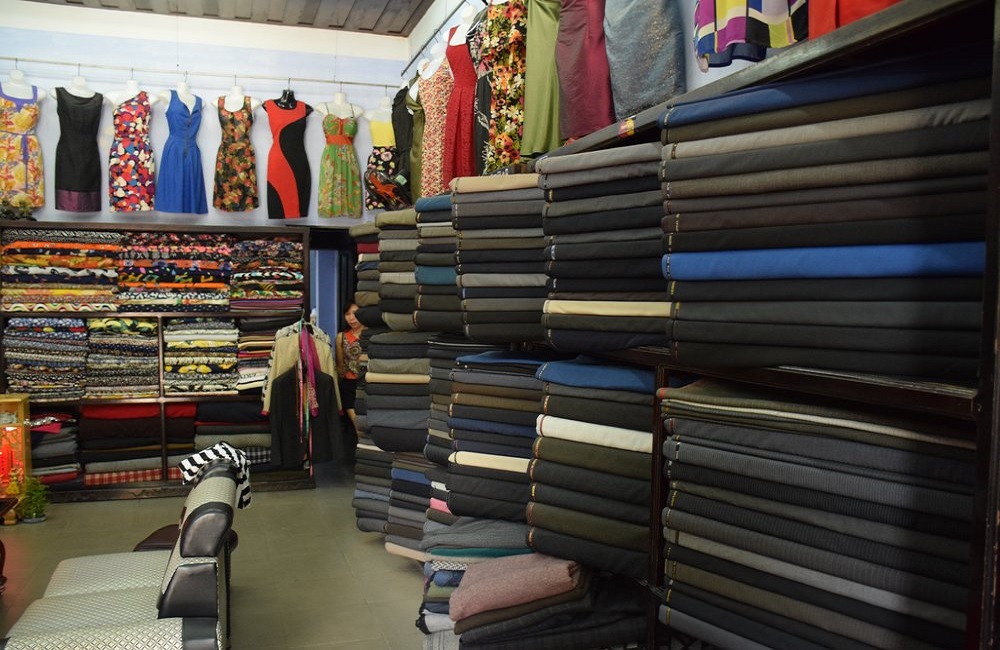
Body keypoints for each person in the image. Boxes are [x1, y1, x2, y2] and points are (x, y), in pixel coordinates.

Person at [335, 302, 366, 449]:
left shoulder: (371, 335)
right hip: (349, 384)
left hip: (368, 383)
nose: (351, 318)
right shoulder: (341, 337)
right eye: (347, 314)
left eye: (354, 313)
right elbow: (340, 365)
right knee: (357, 424)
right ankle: (361, 447)